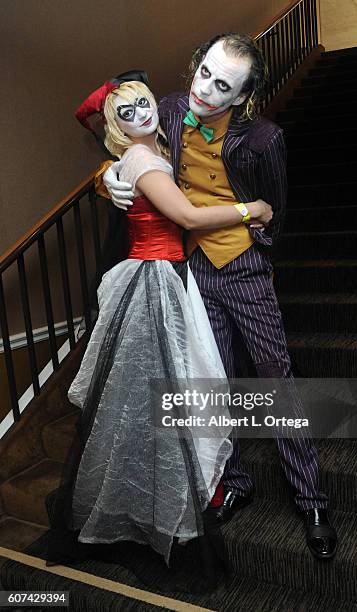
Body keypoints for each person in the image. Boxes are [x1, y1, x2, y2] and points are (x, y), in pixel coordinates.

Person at [101, 33, 338, 560]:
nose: (205, 91)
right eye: (203, 72)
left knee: (276, 381)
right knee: (216, 379)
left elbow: (273, 208)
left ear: (242, 97)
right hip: (194, 271)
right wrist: (109, 176)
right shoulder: (168, 109)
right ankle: (233, 482)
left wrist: (260, 257)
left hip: (245, 269)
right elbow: (125, 139)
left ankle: (312, 499)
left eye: (222, 85)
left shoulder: (263, 139)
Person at [46, 76, 274, 575]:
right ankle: (173, 503)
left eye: (142, 104)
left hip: (167, 275)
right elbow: (187, 217)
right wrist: (250, 208)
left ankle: (173, 495)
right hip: (157, 280)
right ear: (115, 126)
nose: (140, 115)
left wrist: (105, 172)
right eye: (124, 113)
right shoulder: (145, 160)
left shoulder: (156, 144)